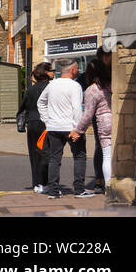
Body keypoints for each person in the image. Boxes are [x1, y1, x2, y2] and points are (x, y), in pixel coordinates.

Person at [38, 58, 86, 198]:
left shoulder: (51, 85)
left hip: (54, 127)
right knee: (79, 157)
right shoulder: (75, 86)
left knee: (54, 159)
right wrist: (78, 129)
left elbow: (41, 102)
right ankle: (79, 190)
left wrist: (47, 121)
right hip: (71, 128)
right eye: (77, 68)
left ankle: (53, 191)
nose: (77, 71)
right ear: (72, 70)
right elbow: (77, 109)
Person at [75, 59, 112, 193]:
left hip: (103, 123)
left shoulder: (92, 89)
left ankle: (109, 188)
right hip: (118, 120)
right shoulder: (112, 85)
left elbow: (88, 115)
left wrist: (78, 130)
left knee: (106, 155)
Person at [20, 62, 53, 192]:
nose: (53, 72)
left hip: (32, 123)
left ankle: (36, 184)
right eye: (51, 70)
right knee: (47, 153)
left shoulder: (30, 89)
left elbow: (23, 107)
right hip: (46, 122)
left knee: (34, 154)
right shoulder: (51, 88)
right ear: (45, 73)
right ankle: (45, 183)